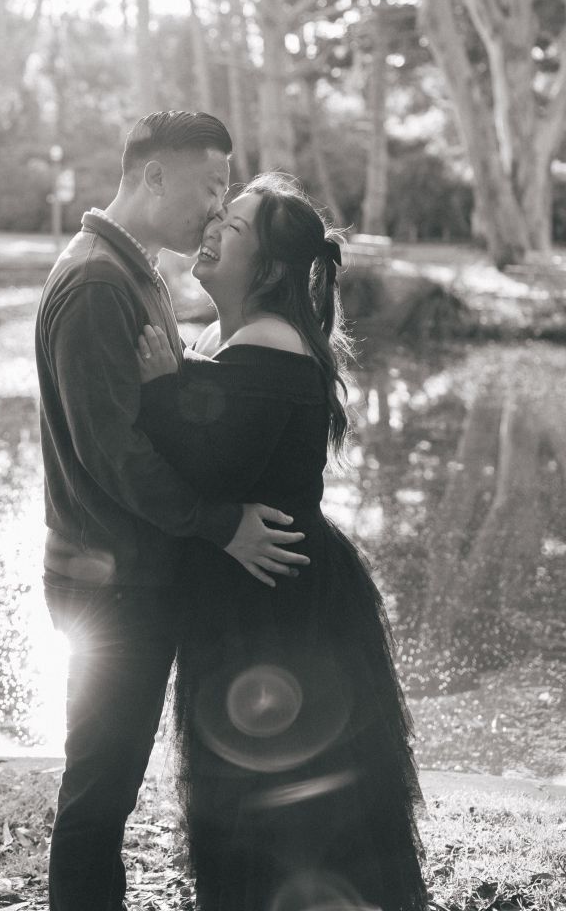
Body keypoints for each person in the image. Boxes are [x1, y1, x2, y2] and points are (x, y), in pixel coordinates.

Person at [35, 113, 309, 911]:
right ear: (155, 177)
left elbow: (147, 411)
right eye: (212, 185)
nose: (218, 205)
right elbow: (112, 455)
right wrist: (222, 525)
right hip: (109, 583)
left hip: (133, 573)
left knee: (107, 785)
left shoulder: (136, 271)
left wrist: (182, 374)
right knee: (98, 794)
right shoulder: (95, 284)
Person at [135, 173, 428, 911]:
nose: (209, 228)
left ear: (264, 269)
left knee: (280, 801)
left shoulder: (270, 342)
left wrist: (162, 387)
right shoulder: (224, 336)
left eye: (228, 229)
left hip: (278, 612)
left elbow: (210, 465)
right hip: (253, 590)